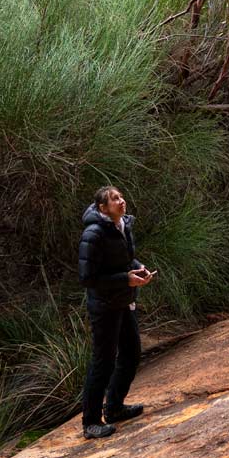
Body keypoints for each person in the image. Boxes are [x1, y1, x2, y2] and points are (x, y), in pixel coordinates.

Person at [77, 185, 154, 439]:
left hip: (123, 300)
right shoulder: (94, 234)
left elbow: (123, 260)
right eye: (114, 199)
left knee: (131, 354)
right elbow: (88, 277)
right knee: (104, 361)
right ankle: (90, 422)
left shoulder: (122, 225)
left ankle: (114, 408)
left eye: (121, 196)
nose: (121, 201)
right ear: (103, 209)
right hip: (104, 306)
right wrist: (125, 279)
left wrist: (138, 268)